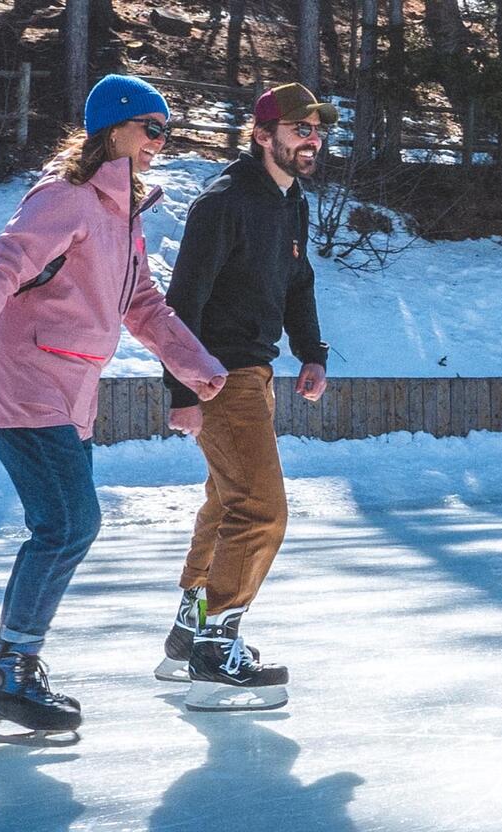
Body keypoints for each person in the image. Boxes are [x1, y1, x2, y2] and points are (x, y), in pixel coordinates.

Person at [0, 74, 227, 736]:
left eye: (165, 131)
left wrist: (194, 364)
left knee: (63, 526)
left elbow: (142, 304)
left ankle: (8, 674)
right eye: (152, 128)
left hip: (65, 390)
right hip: (21, 382)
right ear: (113, 128)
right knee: (67, 525)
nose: (159, 143)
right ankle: (10, 671)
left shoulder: (123, 215)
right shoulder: (65, 198)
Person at [155, 82, 335, 711]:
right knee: (261, 510)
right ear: (263, 136)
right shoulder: (223, 204)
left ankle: (189, 626)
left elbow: (297, 278)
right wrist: (183, 390)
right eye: (298, 129)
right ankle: (215, 644)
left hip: (255, 374)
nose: (311, 139)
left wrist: (312, 351)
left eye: (315, 129)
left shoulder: (292, 202)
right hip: (219, 375)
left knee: (227, 502)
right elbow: (181, 305)